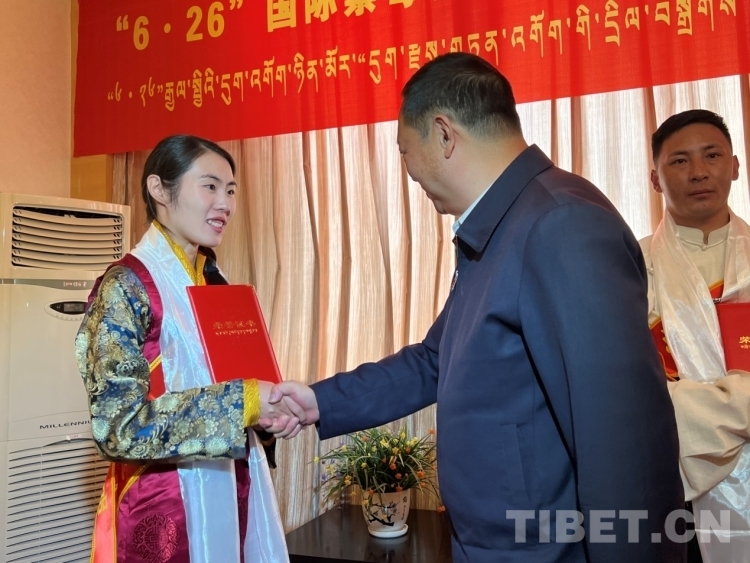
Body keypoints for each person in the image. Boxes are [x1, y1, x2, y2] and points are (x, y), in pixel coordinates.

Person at [261, 53, 685, 562]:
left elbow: (624, 443)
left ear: (444, 134)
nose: (409, 172)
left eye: (404, 149)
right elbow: (434, 360)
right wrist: (319, 401)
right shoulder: (501, 227)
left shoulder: (561, 224)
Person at [75, 135, 290, 562]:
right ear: (159, 189)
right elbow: (118, 426)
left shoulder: (217, 282)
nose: (225, 204)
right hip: (162, 504)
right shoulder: (125, 286)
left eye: (231, 191)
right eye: (210, 186)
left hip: (234, 485)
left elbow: (234, 384)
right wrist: (243, 402)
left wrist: (266, 416)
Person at [642, 109, 750, 562]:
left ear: (735, 166)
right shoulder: (630, 267)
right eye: (680, 161)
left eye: (712, 155)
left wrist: (696, 408)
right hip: (674, 482)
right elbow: (632, 389)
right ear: (655, 178)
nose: (699, 172)